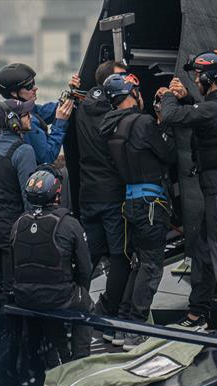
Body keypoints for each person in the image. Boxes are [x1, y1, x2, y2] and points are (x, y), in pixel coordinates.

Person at [159, 50, 217, 335]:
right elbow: (202, 118)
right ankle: (198, 312)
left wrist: (168, 96)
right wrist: (186, 97)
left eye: (198, 75)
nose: (196, 79)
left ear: (209, 78)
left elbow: (173, 116)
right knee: (203, 250)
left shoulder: (213, 109)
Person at [100, 73, 175, 349]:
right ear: (131, 93)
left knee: (139, 263)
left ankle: (123, 324)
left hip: (131, 201)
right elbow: (167, 153)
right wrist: (164, 122)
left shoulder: (112, 125)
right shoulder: (141, 122)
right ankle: (136, 328)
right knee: (152, 265)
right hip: (151, 202)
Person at [11, 166, 93, 361]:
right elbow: (85, 267)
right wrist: (81, 290)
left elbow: (12, 265)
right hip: (58, 295)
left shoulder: (18, 224)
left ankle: (59, 355)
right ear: (57, 194)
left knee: (47, 305)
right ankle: (80, 359)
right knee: (86, 305)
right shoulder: (70, 224)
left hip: (24, 296)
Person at [74, 60, 132, 325]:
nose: (128, 82)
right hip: (112, 194)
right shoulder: (114, 112)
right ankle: (108, 309)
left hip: (89, 193)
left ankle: (74, 304)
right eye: (123, 78)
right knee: (120, 254)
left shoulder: (82, 106)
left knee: (90, 254)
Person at [0, 99, 38, 293]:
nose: (30, 117)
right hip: (14, 229)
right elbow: (29, 198)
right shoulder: (24, 151)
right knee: (15, 288)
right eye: (26, 114)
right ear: (14, 122)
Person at [0, 63, 76, 164]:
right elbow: (47, 157)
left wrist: (72, 94)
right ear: (14, 93)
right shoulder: (24, 122)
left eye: (34, 83)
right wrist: (60, 123)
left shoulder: (23, 111)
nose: (35, 88)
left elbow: (46, 111)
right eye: (29, 86)